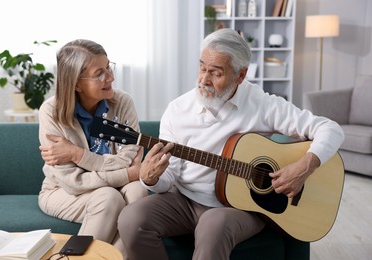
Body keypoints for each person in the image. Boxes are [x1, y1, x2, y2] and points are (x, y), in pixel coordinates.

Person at [117, 28, 345, 260]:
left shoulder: (261, 103)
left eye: (215, 72)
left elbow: (331, 129)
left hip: (239, 209)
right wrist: (151, 178)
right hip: (185, 200)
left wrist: (303, 167)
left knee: (214, 224)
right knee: (131, 219)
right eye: (202, 67)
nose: (204, 79)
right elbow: (169, 176)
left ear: (241, 75)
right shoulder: (178, 110)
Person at [38, 39, 147, 258]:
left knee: (138, 193)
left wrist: (78, 155)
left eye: (109, 67)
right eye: (99, 73)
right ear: (76, 83)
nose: (110, 77)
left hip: (116, 186)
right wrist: (127, 174)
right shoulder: (51, 111)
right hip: (62, 191)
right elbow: (72, 181)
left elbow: (130, 155)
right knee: (108, 197)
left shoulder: (122, 102)